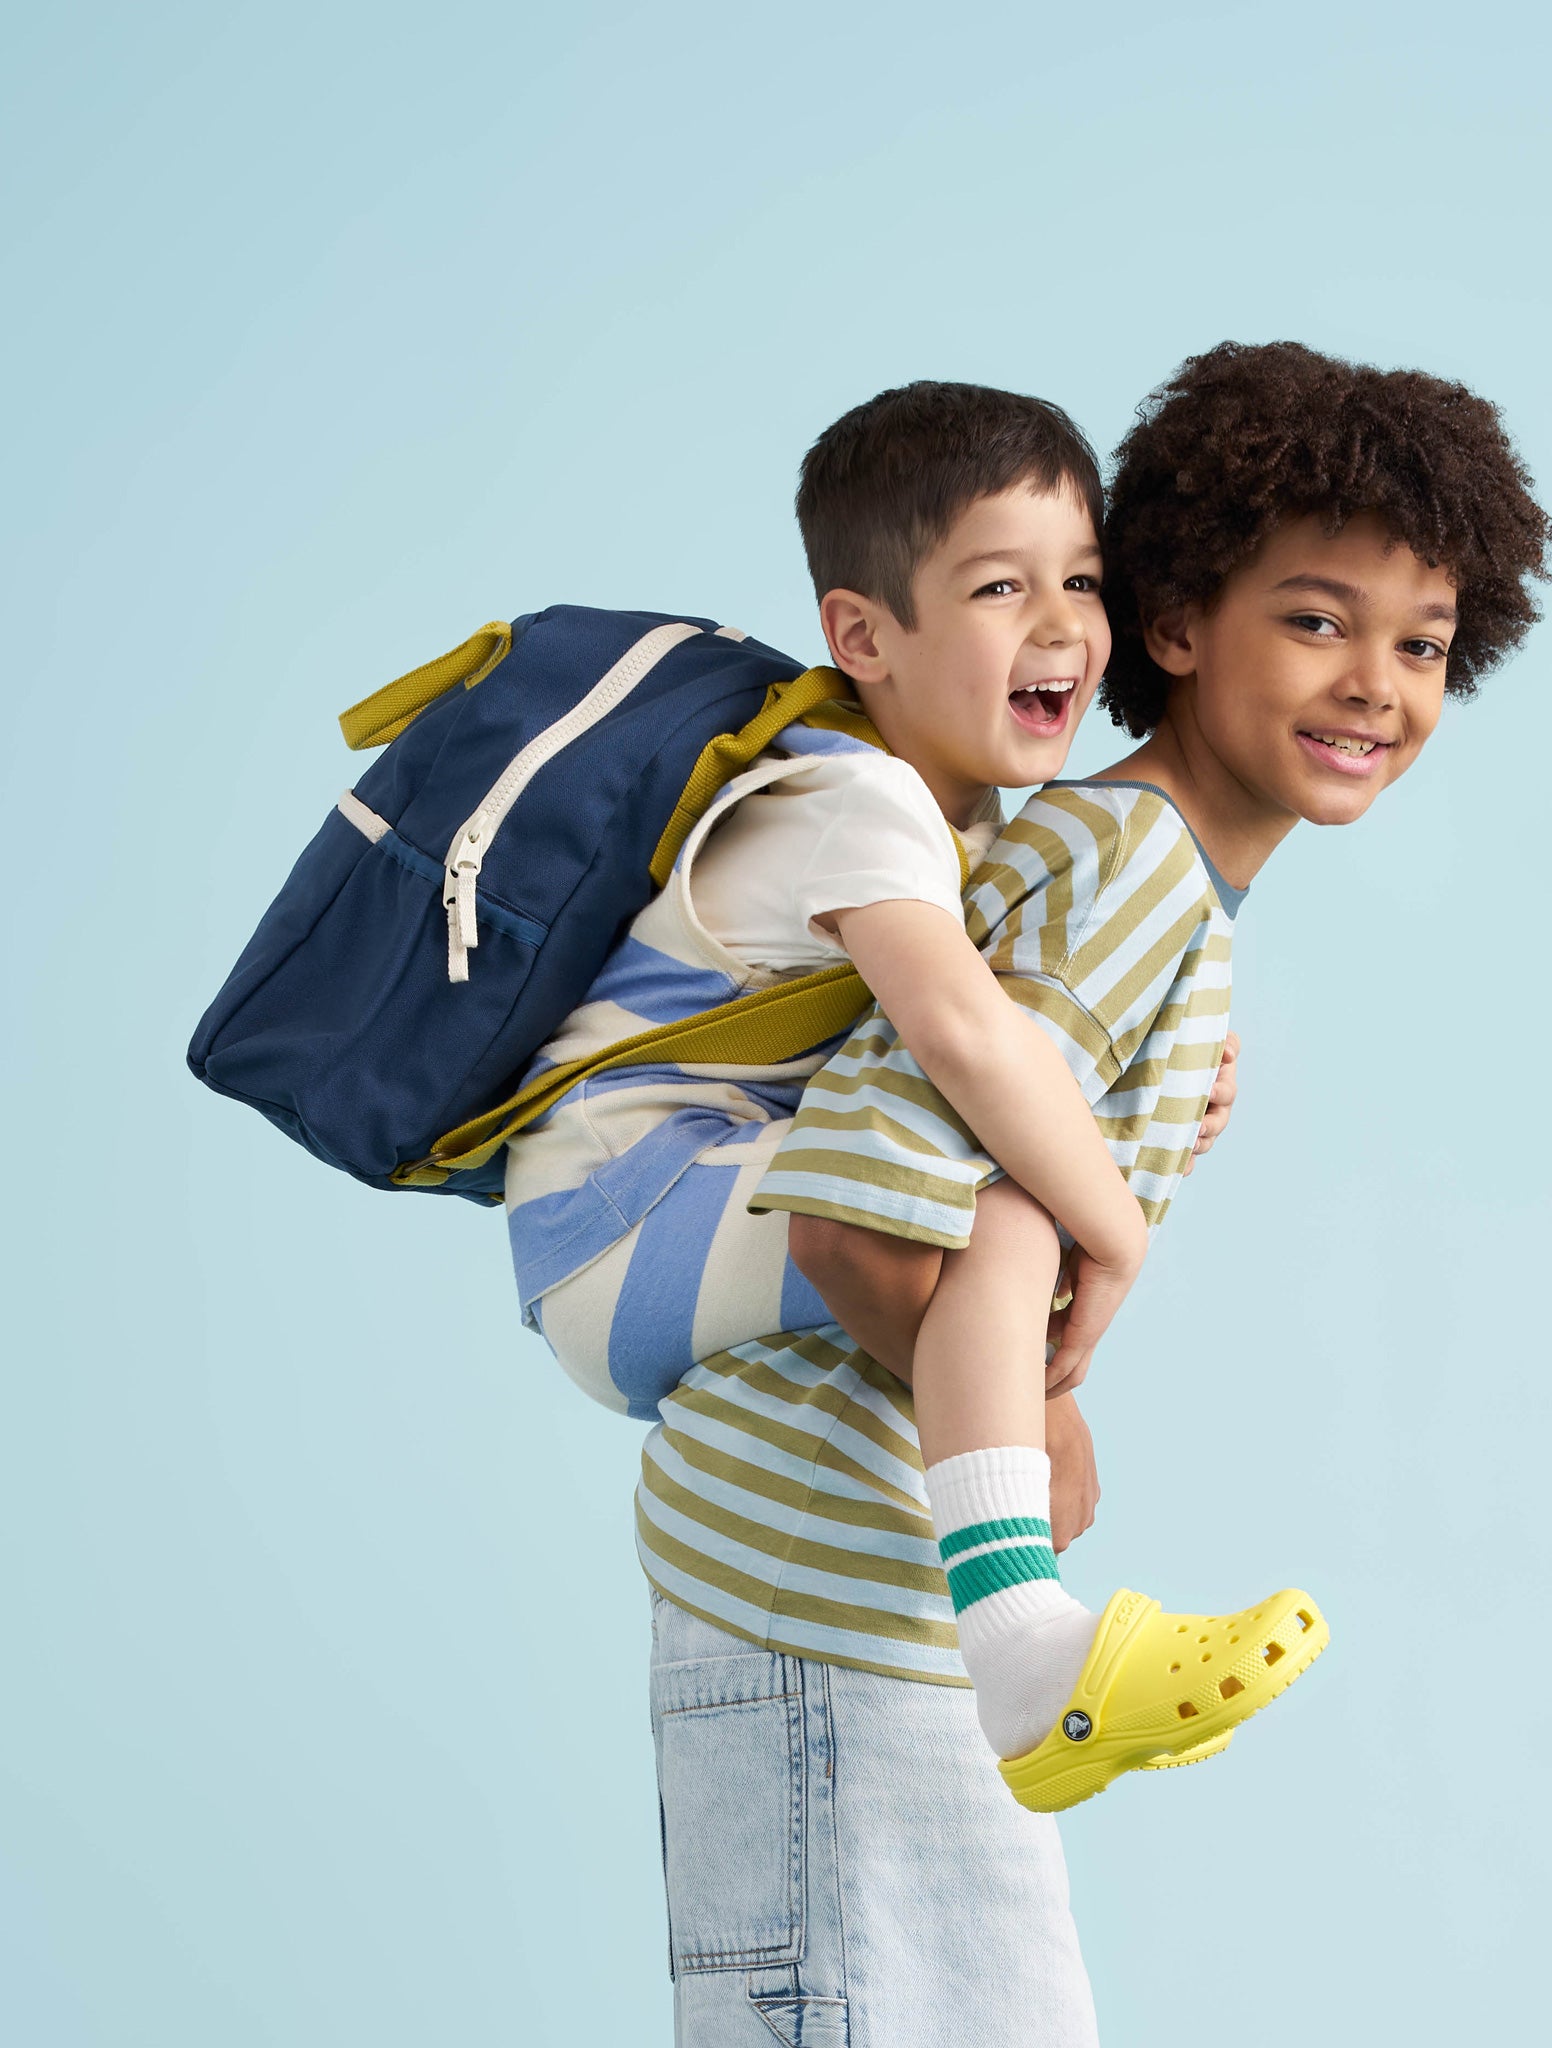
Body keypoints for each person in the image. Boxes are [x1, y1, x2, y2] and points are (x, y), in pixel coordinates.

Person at [628, 342, 1552, 2044]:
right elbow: (852, 1212)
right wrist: (1037, 1426)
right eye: (1315, 620)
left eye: (1419, 643)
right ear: (1179, 622)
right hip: (822, 1585)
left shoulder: (1151, 886)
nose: (1375, 684)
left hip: (887, 1603)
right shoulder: (1124, 864)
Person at [506, 379, 1305, 1773]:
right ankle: (1022, 1653)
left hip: (661, 1209)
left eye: (1082, 581)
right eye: (1000, 587)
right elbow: (959, 1036)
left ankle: (1028, 1652)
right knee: (1002, 1213)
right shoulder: (859, 798)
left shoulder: (963, 815)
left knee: (995, 1189)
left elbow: (996, 1042)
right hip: (622, 1225)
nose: (1060, 625)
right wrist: (1106, 1234)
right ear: (861, 636)